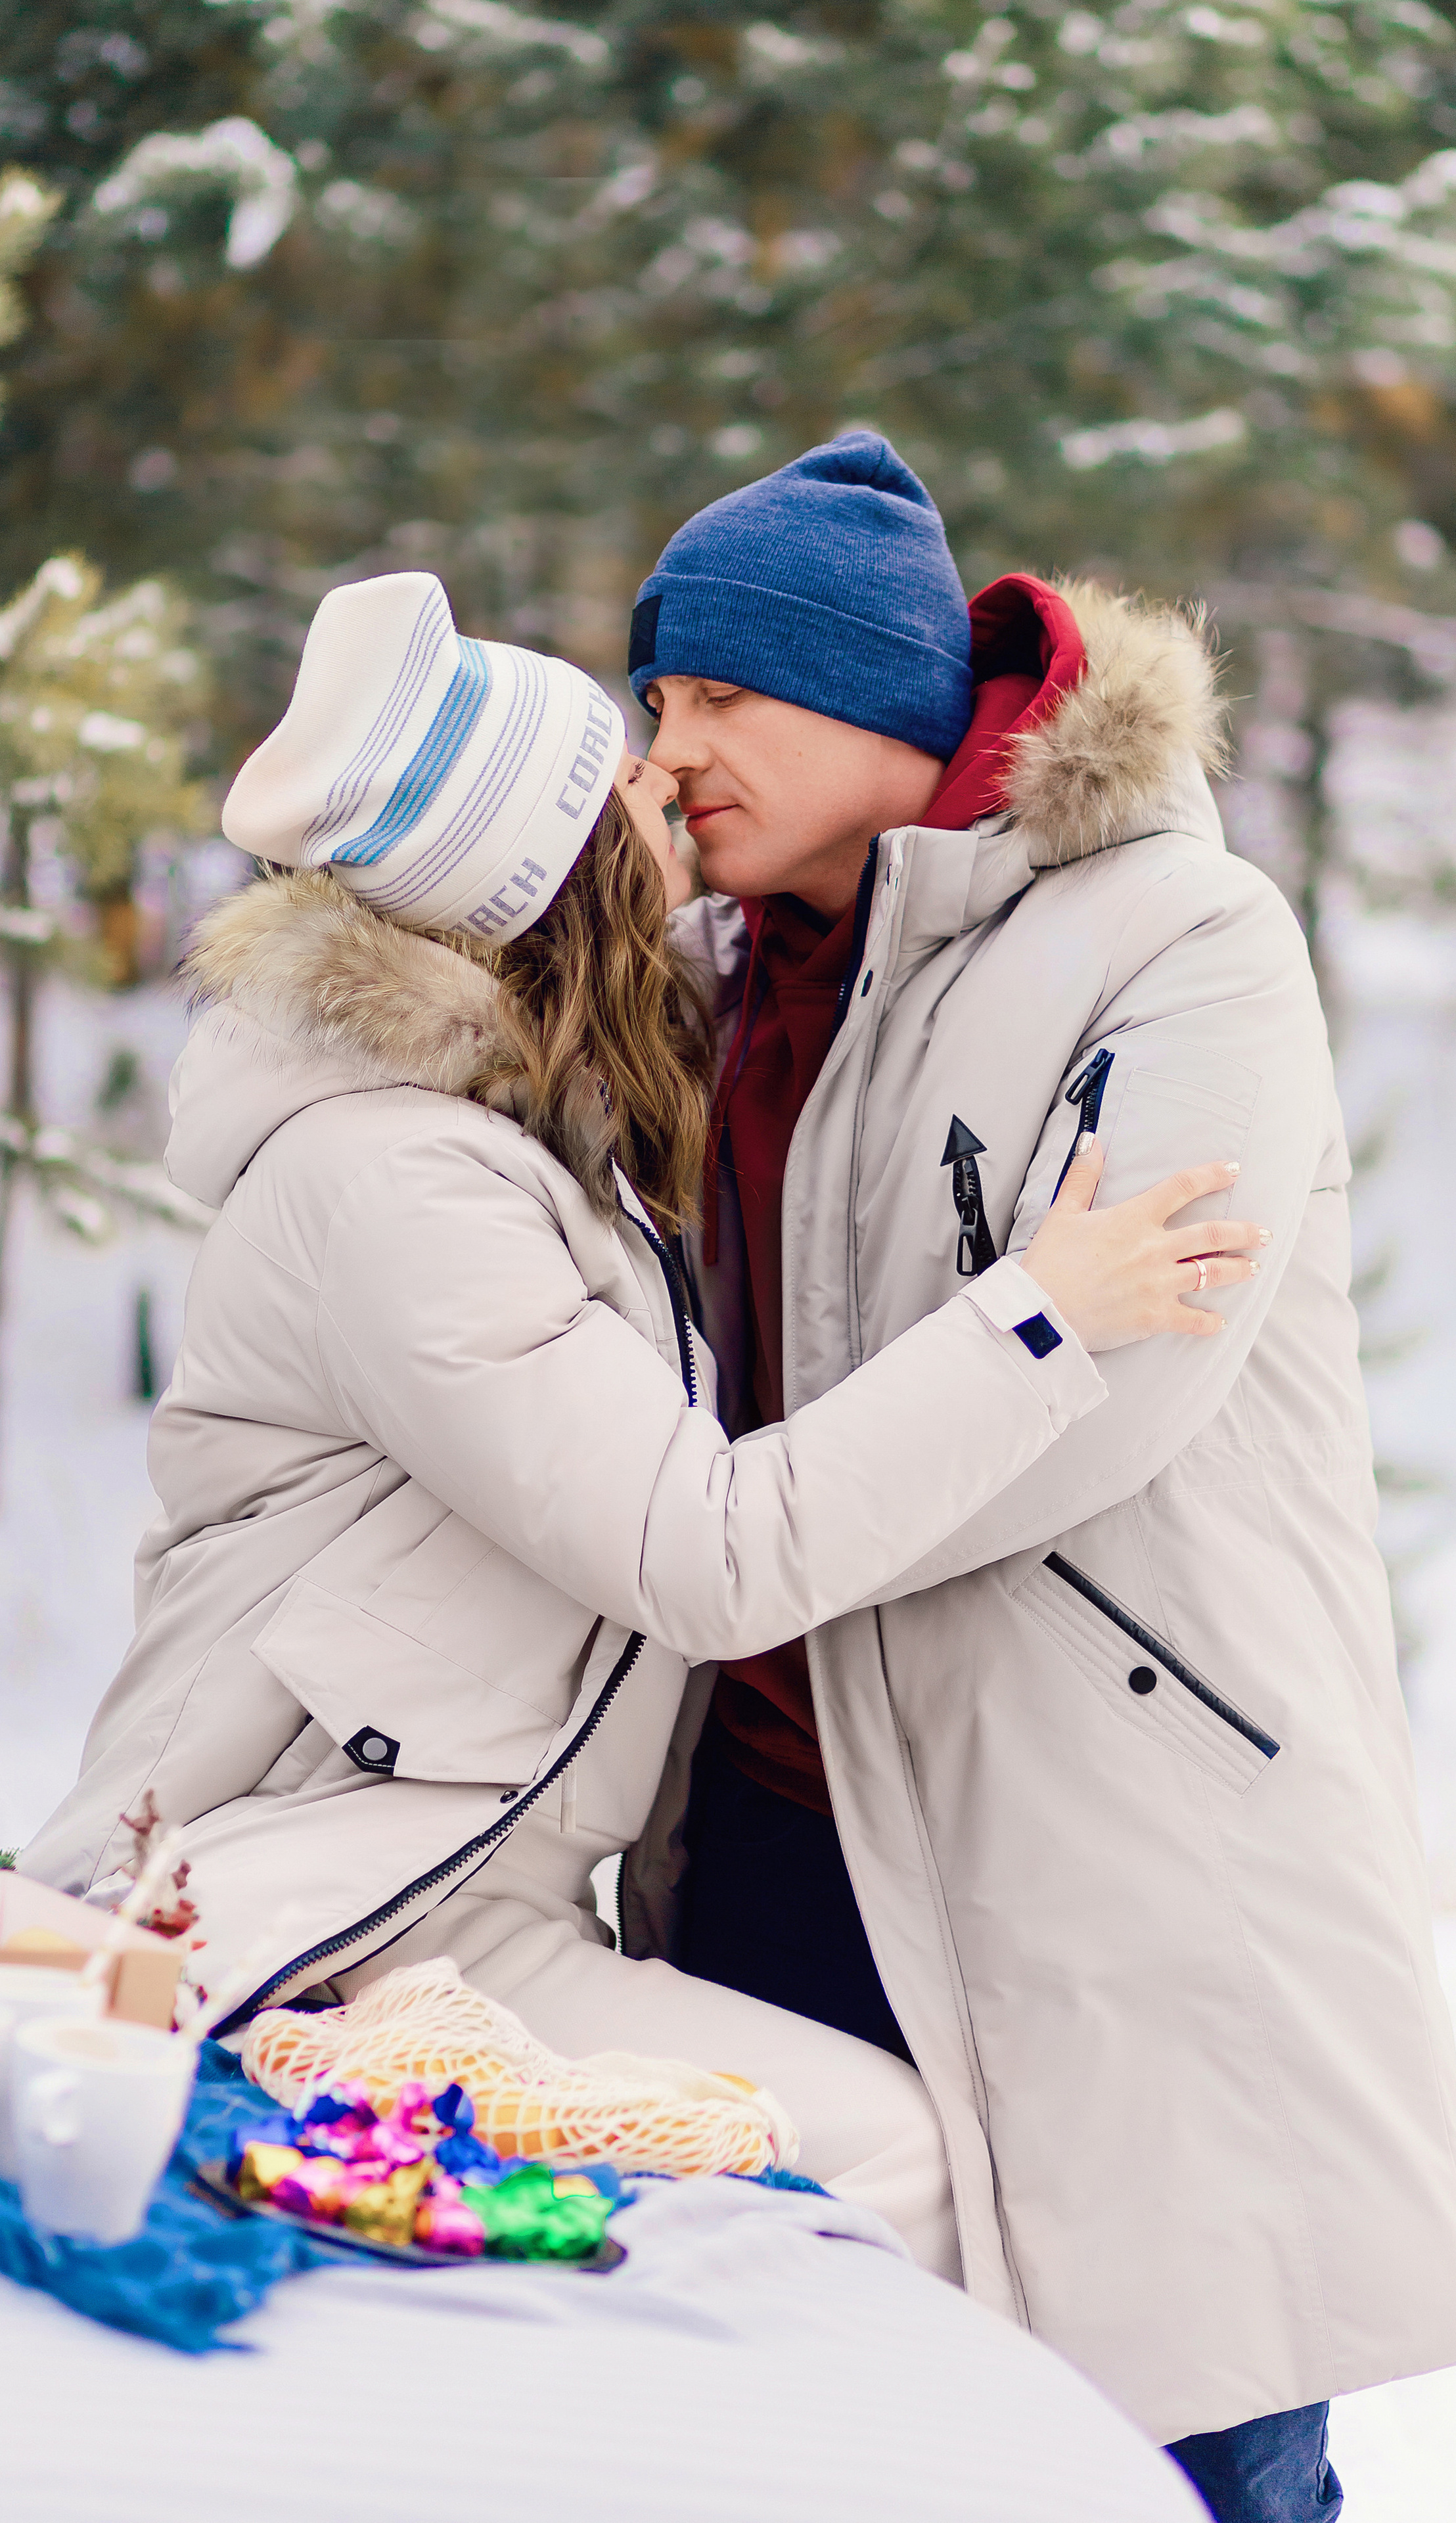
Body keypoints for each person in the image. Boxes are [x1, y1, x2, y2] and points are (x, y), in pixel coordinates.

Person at [22, 568, 1257, 2274]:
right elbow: (714, 1552)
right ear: (552, 878)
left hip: (445, 1908)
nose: (668, 788)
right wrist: (1039, 1315)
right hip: (314, 1929)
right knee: (891, 2172)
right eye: (625, 780)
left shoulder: (497, 1144)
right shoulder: (398, 1183)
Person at [624, 428, 1456, 2520]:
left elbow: (1119, 1390)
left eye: (719, 692)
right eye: (652, 702)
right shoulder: (705, 983)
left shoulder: (1181, 940)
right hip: (766, 1839)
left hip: (1110, 1845)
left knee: (1186, 2461)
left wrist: (747, 1534)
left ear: (874, 694)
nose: (672, 745)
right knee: (817, 2448)